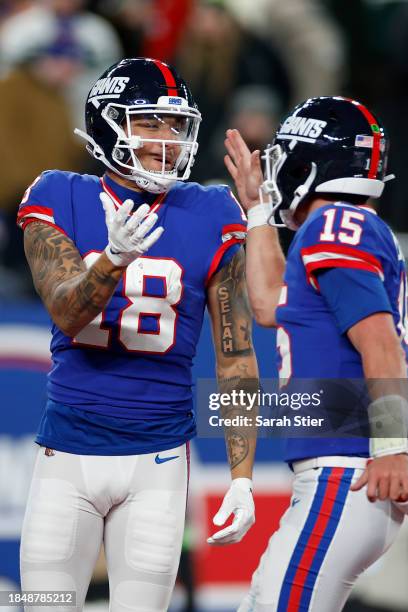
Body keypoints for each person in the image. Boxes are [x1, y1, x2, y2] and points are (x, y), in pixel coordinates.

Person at [17, 57, 257, 612]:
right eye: (150, 123)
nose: (167, 140)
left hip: (159, 460)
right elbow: (66, 312)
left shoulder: (211, 208)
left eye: (176, 126)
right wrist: (113, 260)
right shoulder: (59, 194)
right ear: (109, 125)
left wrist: (242, 478)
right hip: (68, 456)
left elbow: (237, 354)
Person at [224, 96, 408, 612]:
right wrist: (255, 213)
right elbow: (270, 302)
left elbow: (381, 344)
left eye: (287, 157)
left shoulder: (335, 226)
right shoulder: (336, 230)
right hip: (341, 470)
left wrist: (390, 447)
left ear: (311, 164)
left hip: (346, 469)